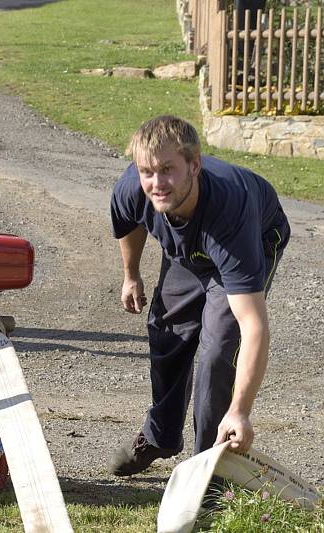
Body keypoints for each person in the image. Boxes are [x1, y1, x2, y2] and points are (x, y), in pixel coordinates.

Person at [106, 115, 290, 477]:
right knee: (167, 331)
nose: (156, 183)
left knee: (219, 348)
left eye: (167, 170)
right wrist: (131, 276)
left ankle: (208, 468)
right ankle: (161, 436)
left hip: (249, 240)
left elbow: (253, 326)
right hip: (190, 252)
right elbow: (128, 224)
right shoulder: (132, 187)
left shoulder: (230, 211)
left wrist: (240, 409)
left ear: (194, 164)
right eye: (147, 171)